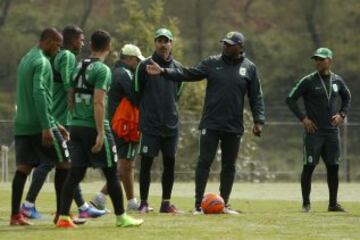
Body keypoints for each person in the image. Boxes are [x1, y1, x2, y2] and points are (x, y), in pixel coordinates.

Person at [146, 31, 265, 214]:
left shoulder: (249, 68)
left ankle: (223, 204)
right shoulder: (211, 63)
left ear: (240, 47)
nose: (225, 46)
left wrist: (259, 120)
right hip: (210, 123)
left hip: (234, 125)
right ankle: (197, 206)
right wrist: (163, 71)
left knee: (229, 165)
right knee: (204, 162)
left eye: (230, 44)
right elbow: (188, 74)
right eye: (224, 43)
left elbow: (256, 96)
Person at [56, 30, 143, 228]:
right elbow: (98, 102)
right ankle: (122, 217)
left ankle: (63, 217)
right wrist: (101, 132)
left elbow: (70, 93)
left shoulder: (78, 65)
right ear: (109, 46)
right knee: (112, 173)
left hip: (75, 125)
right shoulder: (102, 69)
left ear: (91, 45)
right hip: (93, 127)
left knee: (75, 174)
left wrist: (73, 117)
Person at [20, 25, 105, 222]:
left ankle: (81, 207)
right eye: (80, 40)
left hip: (54, 116)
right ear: (72, 39)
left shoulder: (53, 57)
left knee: (64, 163)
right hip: (62, 119)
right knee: (54, 162)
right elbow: (69, 84)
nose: (82, 43)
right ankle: (28, 205)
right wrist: (78, 107)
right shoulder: (66, 57)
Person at [10, 28, 68, 226]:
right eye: (58, 44)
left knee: (23, 168)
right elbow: (39, 93)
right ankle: (62, 216)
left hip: (22, 125)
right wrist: (47, 126)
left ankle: (15, 216)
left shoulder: (27, 58)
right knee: (65, 164)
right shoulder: (43, 62)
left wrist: (56, 123)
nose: (59, 49)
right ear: (49, 41)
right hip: (39, 125)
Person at [286, 47, 351, 212]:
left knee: (333, 167)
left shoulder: (337, 81)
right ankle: (306, 204)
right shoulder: (308, 81)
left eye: (321, 59)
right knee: (309, 167)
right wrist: (303, 118)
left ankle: (333, 204)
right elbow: (290, 99)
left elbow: (347, 97)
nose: (317, 62)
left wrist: (342, 114)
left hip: (331, 132)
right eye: (316, 59)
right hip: (313, 133)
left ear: (329, 60)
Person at [133, 28, 184, 213]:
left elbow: (177, 94)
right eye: (160, 41)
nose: (163, 44)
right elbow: (137, 92)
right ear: (155, 42)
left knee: (169, 164)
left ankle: (165, 203)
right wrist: (149, 113)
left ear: (171, 43)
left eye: (167, 41)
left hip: (171, 126)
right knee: (146, 164)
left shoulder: (177, 68)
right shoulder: (144, 66)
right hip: (150, 126)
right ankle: (144, 203)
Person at [91, 44, 145, 211]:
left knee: (127, 164)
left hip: (118, 124)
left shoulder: (117, 72)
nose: (138, 65)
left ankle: (131, 202)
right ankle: (100, 197)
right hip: (125, 125)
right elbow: (136, 97)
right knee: (125, 165)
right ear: (129, 59)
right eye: (137, 61)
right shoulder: (124, 74)